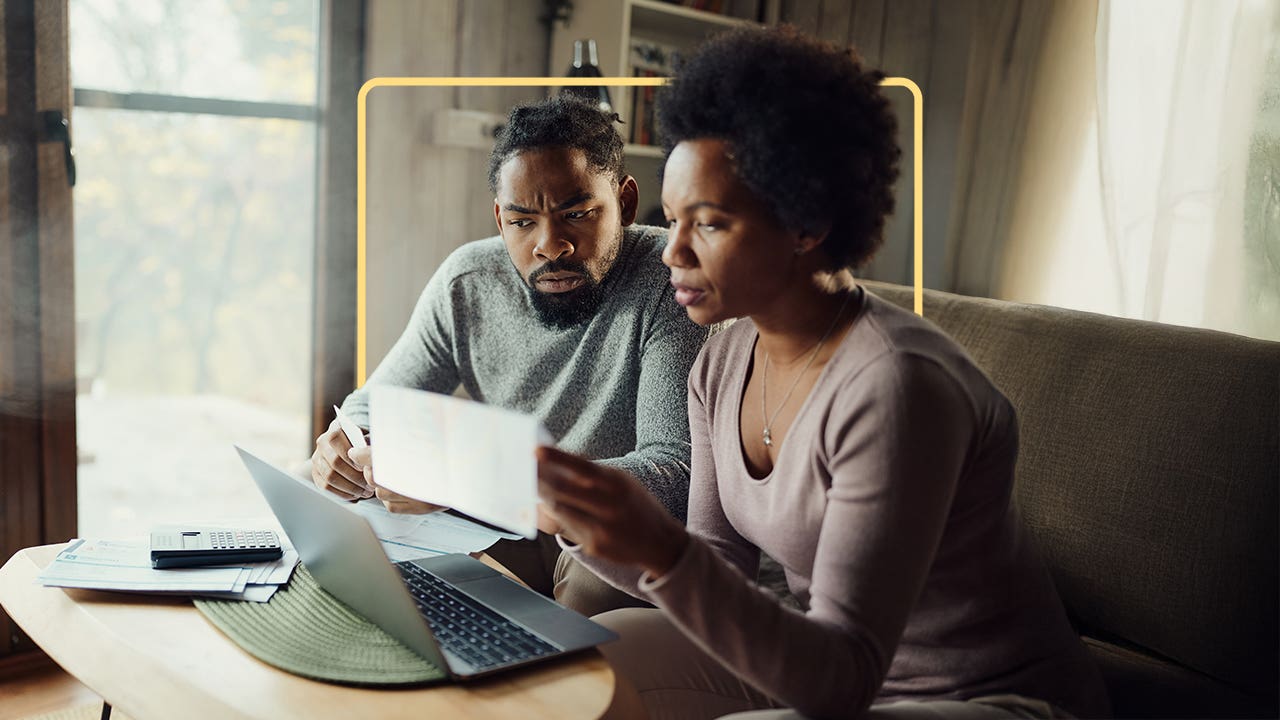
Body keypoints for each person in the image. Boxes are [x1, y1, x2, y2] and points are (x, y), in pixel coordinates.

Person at [534, 27, 1112, 720]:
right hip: (820, 662)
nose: (672, 253)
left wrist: (660, 547)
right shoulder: (720, 362)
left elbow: (842, 681)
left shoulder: (897, 387)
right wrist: (577, 521)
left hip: (980, 696)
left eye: (710, 224)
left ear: (806, 222)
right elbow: (715, 573)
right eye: (673, 219)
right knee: (583, 661)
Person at [311, 95, 708, 617]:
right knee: (374, 565)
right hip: (500, 518)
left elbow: (675, 475)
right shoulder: (468, 281)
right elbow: (375, 404)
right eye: (523, 222)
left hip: (607, 534)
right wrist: (342, 446)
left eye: (578, 214)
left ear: (626, 203)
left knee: (600, 585)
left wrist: (469, 475)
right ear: (500, 219)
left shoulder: (670, 280)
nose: (551, 245)